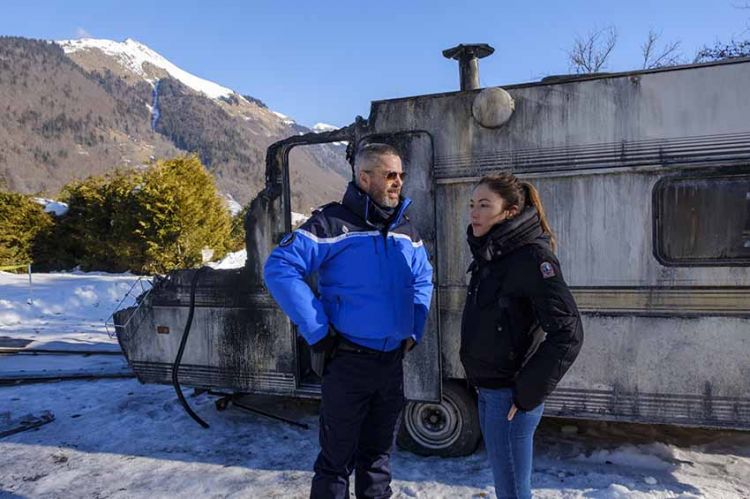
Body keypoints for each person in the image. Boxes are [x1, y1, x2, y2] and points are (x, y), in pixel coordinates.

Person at [263, 142, 434, 499]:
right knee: (336, 462)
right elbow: (280, 268)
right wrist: (317, 331)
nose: (398, 182)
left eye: (401, 175)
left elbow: (423, 279)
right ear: (364, 176)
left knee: (377, 458)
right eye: (390, 175)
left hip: (391, 365)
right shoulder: (331, 224)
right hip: (347, 361)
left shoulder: (406, 229)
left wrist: (413, 329)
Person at [460, 172, 583, 499]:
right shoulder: (491, 253)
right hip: (488, 392)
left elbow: (568, 331)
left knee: (513, 491)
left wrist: (527, 392)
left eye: (485, 205)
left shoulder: (532, 257)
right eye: (473, 204)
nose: (474, 212)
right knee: (508, 489)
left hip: (509, 397)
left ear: (510, 211)